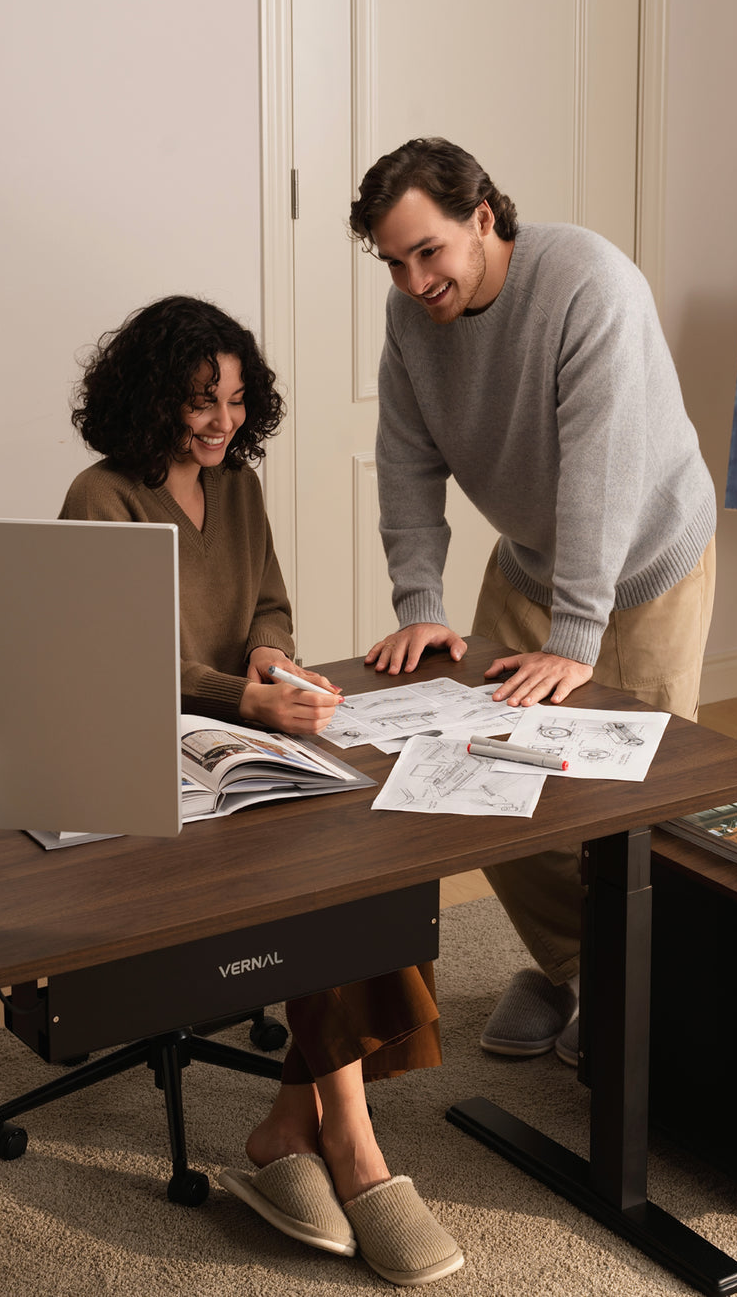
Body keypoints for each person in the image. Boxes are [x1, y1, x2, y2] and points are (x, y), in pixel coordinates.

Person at [59, 295, 463, 1286]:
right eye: (201, 400)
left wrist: (273, 661)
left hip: (238, 735)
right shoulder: (99, 496)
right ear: (152, 395)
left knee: (361, 858)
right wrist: (241, 691)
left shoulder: (235, 485)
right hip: (133, 746)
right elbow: (121, 653)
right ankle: (357, 1150)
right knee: (309, 880)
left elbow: (268, 598)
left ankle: (291, 1122)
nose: (220, 421)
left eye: (237, 400)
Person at [349, 138, 716, 1066]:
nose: (413, 278)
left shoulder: (591, 286)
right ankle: (576, 967)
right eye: (393, 261)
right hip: (528, 562)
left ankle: (638, 992)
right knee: (470, 778)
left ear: (482, 217)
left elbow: (599, 471)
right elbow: (405, 460)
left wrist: (577, 635)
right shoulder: (410, 318)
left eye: (427, 250)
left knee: (625, 807)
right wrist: (421, 602)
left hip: (643, 567)